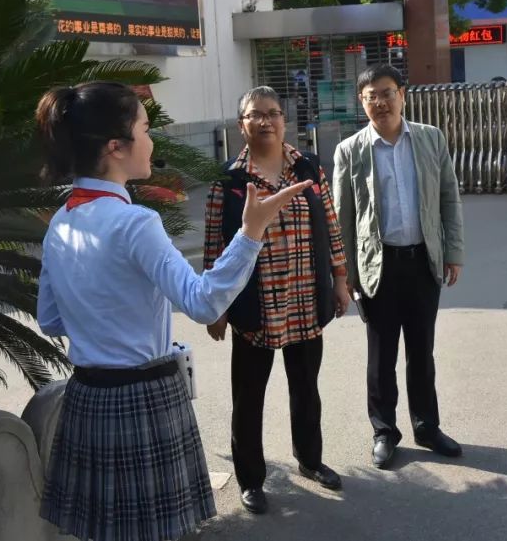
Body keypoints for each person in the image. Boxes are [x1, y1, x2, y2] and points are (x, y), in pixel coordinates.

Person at [34, 81, 311, 541]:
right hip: (142, 398)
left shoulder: (62, 219)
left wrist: (101, 323)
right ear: (115, 147)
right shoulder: (134, 223)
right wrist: (252, 233)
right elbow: (202, 302)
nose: (152, 140)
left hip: (87, 396)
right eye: (145, 129)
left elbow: (51, 319)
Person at [202, 86, 350, 515]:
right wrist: (217, 306)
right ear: (240, 125)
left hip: (305, 299)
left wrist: (340, 279)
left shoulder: (307, 167)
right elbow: (214, 244)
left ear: (285, 120)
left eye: (272, 113)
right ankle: (251, 479)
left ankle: (310, 460)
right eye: (255, 115)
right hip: (255, 306)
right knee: (248, 397)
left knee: (306, 388)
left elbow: (331, 226)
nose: (264, 121)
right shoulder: (228, 179)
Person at [333, 64, 465, 470]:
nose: (380, 102)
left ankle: (427, 426)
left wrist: (453, 251)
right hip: (378, 267)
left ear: (402, 94)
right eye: (371, 96)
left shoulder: (429, 139)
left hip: (422, 261)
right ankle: (385, 431)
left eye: (386, 93)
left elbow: (448, 197)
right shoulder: (351, 150)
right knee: (381, 355)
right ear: (362, 102)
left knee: (421, 352)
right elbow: (343, 217)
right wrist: (346, 275)